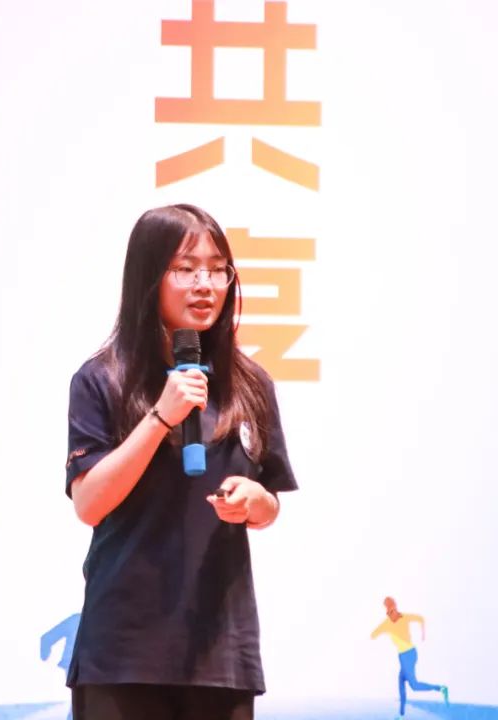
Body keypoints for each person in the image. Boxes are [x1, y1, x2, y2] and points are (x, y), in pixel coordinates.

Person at [64, 204, 298, 720]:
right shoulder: (102, 379)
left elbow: (270, 504)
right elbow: (89, 503)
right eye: (186, 269)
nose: (205, 285)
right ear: (148, 277)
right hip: (124, 651)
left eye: (217, 270)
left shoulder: (250, 384)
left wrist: (256, 501)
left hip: (219, 649)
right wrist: (160, 418)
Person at [370, 597, 450, 718]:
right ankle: (401, 716)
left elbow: (421, 618)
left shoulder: (405, 617)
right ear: (387, 611)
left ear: (396, 608)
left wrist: (423, 634)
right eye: (390, 611)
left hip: (409, 654)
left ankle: (441, 689)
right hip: (403, 656)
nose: (393, 612)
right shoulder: (386, 623)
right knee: (401, 683)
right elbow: (373, 635)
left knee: (414, 686)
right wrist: (382, 631)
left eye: (394, 609)